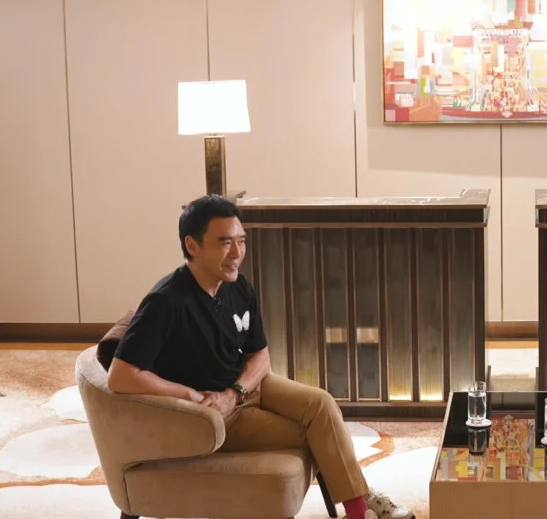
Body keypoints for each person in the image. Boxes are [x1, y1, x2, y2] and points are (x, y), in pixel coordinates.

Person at [108, 195, 414, 519]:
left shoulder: (238, 286)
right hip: (210, 415)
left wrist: (236, 391)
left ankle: (358, 506)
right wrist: (189, 395)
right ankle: (360, 507)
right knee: (314, 434)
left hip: (241, 388)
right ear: (192, 245)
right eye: (225, 242)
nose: (237, 253)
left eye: (241, 241)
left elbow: (261, 355)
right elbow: (121, 375)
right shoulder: (166, 301)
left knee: (321, 404)